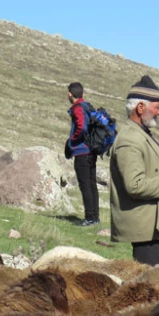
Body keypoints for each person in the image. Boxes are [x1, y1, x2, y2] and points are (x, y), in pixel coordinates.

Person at [110, 75, 159, 265]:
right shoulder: (129, 139)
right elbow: (135, 185)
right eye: (156, 107)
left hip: (158, 226)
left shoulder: (141, 134)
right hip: (146, 230)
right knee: (151, 288)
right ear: (140, 108)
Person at [65, 81, 99, 226]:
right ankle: (95, 217)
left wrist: (72, 140)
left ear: (70, 94)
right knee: (91, 184)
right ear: (83, 94)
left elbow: (82, 128)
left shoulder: (78, 108)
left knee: (85, 185)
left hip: (82, 152)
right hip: (91, 151)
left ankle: (89, 218)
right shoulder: (87, 107)